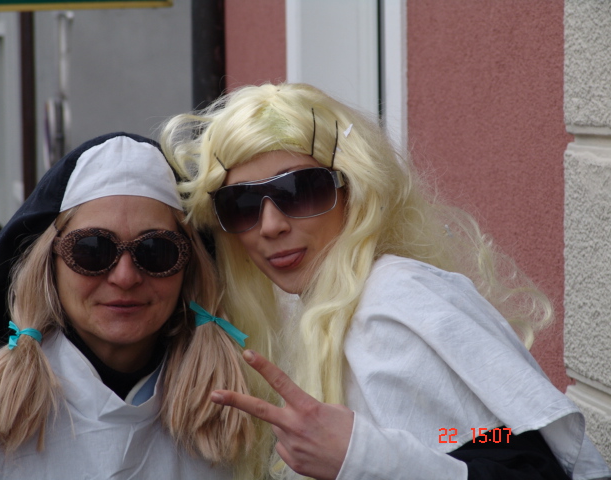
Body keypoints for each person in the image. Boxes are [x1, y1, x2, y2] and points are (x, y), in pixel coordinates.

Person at [161, 83, 611, 480]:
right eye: (240, 205)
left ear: (353, 191)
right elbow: (452, 437)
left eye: (301, 191)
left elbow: (523, 458)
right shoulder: (304, 305)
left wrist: (365, 456)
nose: (271, 225)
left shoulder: (393, 301)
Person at [0, 132, 269, 479]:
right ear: (49, 264)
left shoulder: (244, 411)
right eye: (92, 249)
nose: (125, 277)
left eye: (156, 250)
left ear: (189, 267)